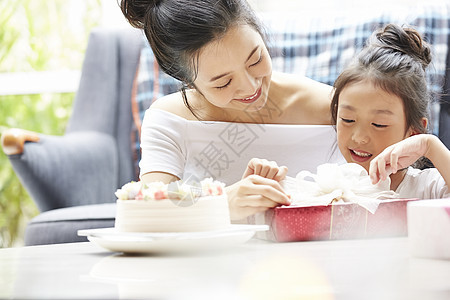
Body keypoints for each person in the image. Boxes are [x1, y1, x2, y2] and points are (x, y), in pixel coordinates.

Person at [120, 0, 344, 220]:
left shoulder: (332, 106)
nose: (250, 86)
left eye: (255, 60)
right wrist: (222, 203)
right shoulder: (169, 121)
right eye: (223, 83)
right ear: (188, 81)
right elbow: (147, 214)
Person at [331, 23, 450, 199]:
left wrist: (429, 146)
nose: (358, 137)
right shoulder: (330, 186)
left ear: (413, 133)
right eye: (347, 120)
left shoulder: (429, 187)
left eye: (378, 124)